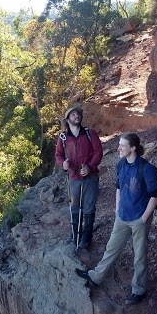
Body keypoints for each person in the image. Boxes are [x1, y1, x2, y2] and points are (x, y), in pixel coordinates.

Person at [75, 132, 157, 305]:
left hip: (139, 218)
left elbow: (156, 194)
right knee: (111, 248)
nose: (119, 148)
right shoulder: (120, 164)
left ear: (133, 148)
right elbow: (119, 188)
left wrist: (144, 218)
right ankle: (96, 276)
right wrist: (117, 209)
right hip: (122, 216)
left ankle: (139, 289)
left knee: (139, 255)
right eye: (120, 144)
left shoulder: (146, 168)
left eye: (123, 145)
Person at [55, 106, 103, 249]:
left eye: (78, 114)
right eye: (73, 114)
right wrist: (63, 164)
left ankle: (86, 238)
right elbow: (58, 155)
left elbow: (98, 151)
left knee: (88, 207)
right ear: (68, 119)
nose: (77, 116)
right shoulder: (63, 137)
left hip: (90, 176)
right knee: (74, 207)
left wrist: (90, 166)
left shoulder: (90, 133)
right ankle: (75, 234)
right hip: (73, 177)